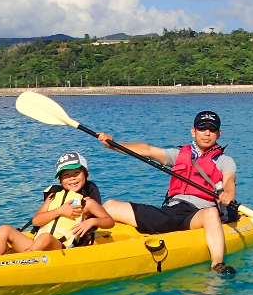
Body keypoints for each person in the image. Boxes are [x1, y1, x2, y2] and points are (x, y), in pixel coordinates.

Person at [98, 110, 240, 275]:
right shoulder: (179, 155)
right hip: (171, 211)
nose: (207, 133)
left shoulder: (223, 161)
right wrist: (113, 144)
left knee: (211, 213)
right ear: (193, 131)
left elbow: (229, 180)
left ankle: (217, 264)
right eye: (202, 128)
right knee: (109, 206)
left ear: (219, 133)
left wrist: (228, 194)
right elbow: (148, 150)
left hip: (196, 215)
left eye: (212, 129)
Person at [0, 152, 114, 256]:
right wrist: (59, 211)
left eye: (76, 173)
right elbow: (36, 221)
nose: (72, 178)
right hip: (36, 245)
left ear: (86, 174)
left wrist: (92, 222)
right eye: (66, 175)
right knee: (4, 229)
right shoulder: (52, 197)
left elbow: (109, 221)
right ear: (60, 180)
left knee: (45, 237)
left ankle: (24, 261)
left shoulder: (87, 202)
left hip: (60, 247)